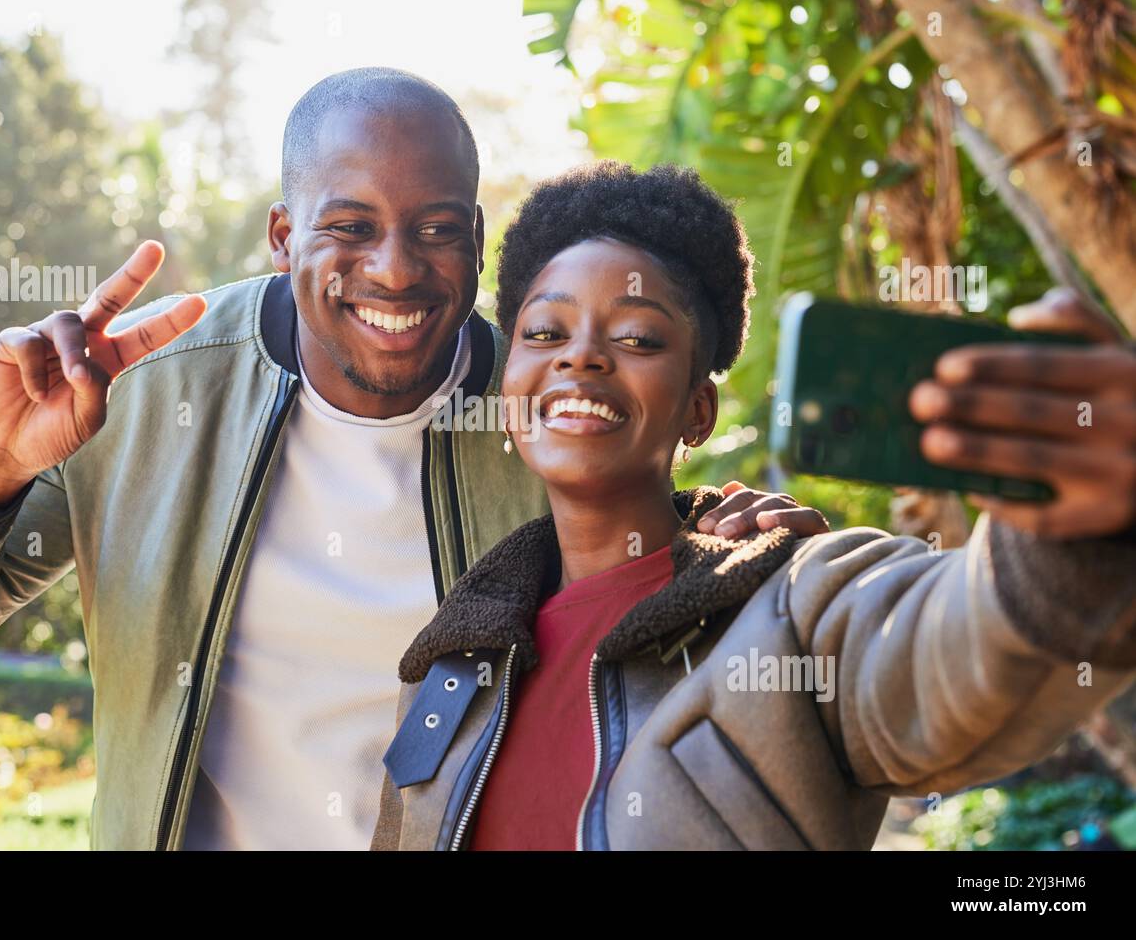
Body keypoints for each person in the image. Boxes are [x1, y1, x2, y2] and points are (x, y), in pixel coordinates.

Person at [0, 69, 824, 850]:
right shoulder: (137, 391)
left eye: (436, 230)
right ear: (282, 235)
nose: (395, 267)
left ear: (477, 243)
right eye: (349, 228)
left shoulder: (548, 416)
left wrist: (727, 562)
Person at [372, 160, 1136, 851]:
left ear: (698, 412)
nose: (582, 356)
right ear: (511, 394)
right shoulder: (447, 666)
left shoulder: (790, 606)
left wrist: (1072, 545)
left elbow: (947, 651)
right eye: (545, 331)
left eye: (639, 338)